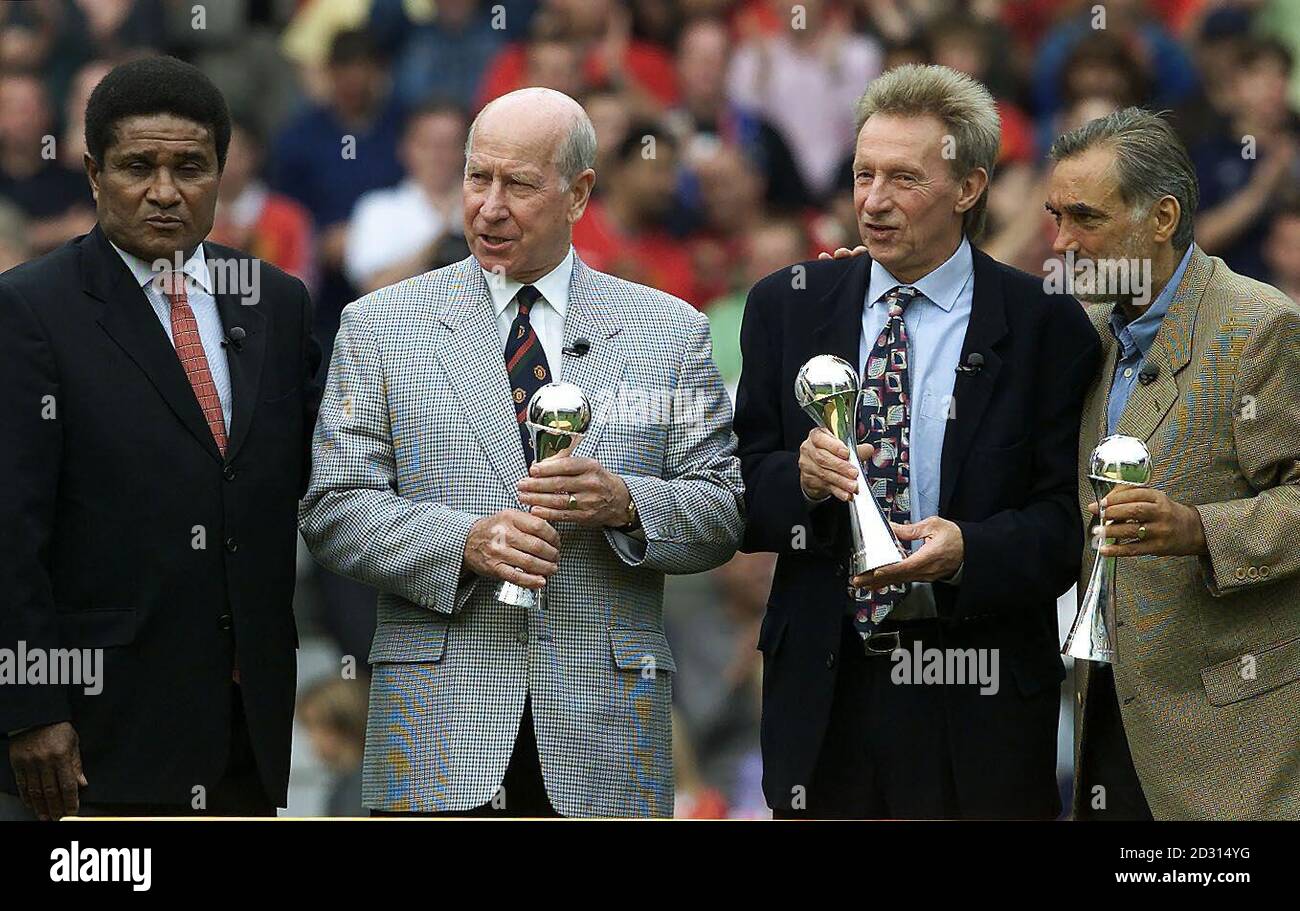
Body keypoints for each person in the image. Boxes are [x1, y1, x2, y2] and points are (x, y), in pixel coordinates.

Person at [299, 87, 744, 818]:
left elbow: (723, 509)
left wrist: (627, 503)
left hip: (604, 740)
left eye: (520, 184)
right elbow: (332, 508)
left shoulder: (670, 330)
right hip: (435, 737)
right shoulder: (378, 326)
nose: (490, 206)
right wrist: (464, 540)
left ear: (580, 194)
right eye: (479, 178)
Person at [735, 64, 1100, 819]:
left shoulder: (1045, 326)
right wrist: (799, 481)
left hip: (980, 697)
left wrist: (968, 548)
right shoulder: (787, 306)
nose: (872, 200)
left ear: (968, 188)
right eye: (863, 173)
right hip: (826, 698)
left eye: (903, 178)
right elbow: (740, 497)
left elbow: (1068, 530)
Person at [0, 56, 321, 819]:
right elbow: (9, 528)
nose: (166, 191)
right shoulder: (30, 310)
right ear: (92, 173)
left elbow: (289, 480)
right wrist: (31, 705)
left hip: (247, 719)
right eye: (138, 166)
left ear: (222, 169)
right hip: (96, 729)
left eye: (191, 166)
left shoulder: (275, 301)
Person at [1046, 107, 1300, 820]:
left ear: (1161, 218)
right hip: (1109, 727)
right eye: (1053, 216)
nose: (1060, 242)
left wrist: (1197, 528)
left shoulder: (1257, 326)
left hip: (1234, 753)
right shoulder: (1089, 331)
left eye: (1084, 218)